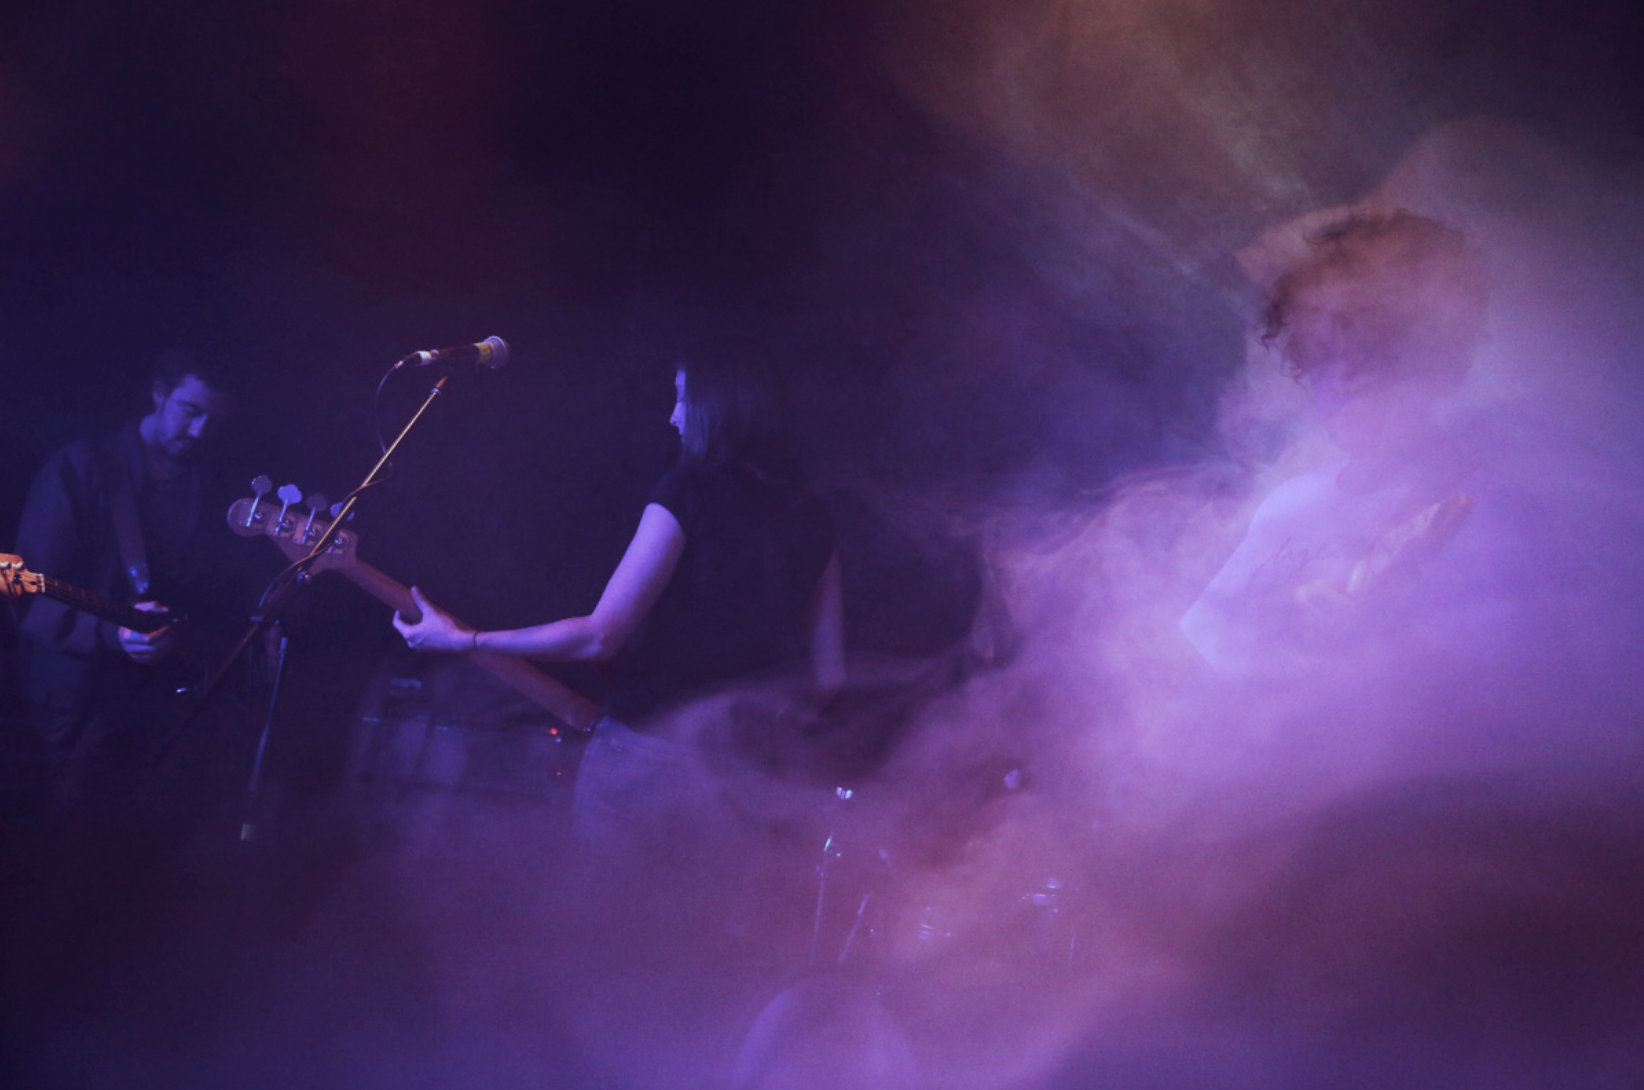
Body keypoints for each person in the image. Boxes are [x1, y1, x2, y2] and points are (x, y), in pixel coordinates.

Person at [393, 346, 844, 843]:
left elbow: (600, 636)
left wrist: (464, 640)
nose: (673, 417)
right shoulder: (813, 516)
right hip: (743, 772)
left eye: (682, 399)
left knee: (613, 896)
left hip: (649, 758)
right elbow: (828, 677)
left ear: (719, 407)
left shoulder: (685, 492)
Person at [1179, 209, 1489, 675]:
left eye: (1373, 352)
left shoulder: (1488, 511)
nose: (1343, 379)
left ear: (1441, 361)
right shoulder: (1290, 503)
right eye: (1321, 353)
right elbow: (1193, 667)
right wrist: (1280, 615)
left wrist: (1370, 641)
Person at [14, 350, 251, 783]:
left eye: (214, 421)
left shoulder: (214, 490)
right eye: (191, 410)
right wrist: (112, 633)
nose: (199, 430)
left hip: (167, 708)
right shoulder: (80, 468)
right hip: (81, 704)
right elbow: (27, 591)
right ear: (159, 393)